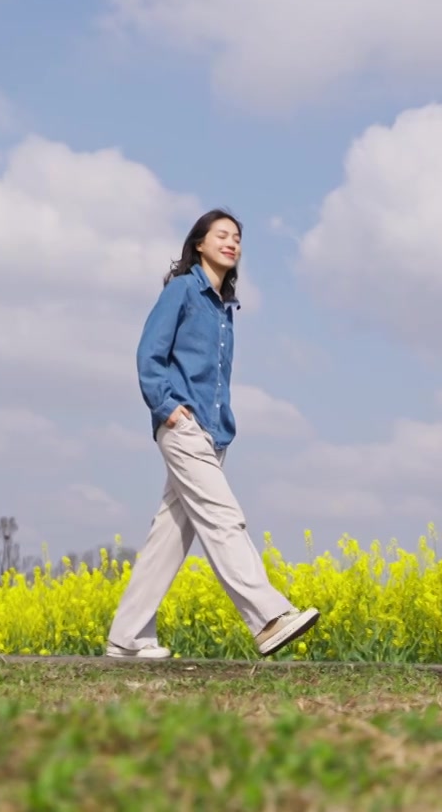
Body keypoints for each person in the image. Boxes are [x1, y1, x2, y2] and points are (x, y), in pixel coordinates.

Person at [106, 209, 319, 660]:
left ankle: (127, 636)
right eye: (222, 235)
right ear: (199, 243)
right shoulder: (183, 290)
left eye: (238, 238)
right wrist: (168, 411)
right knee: (224, 519)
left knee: (169, 538)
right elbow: (149, 354)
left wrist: (219, 428)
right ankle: (268, 618)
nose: (232, 243)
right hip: (184, 428)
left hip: (212, 433)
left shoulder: (224, 308)